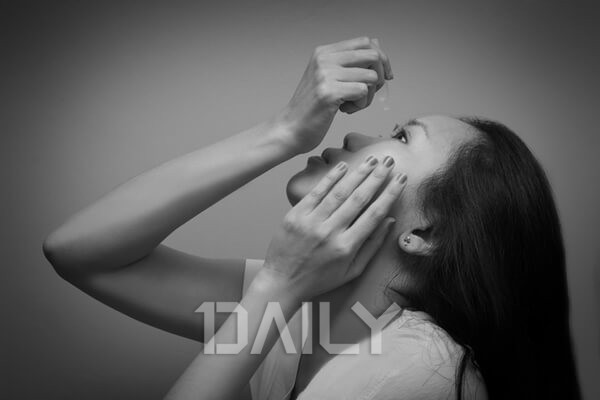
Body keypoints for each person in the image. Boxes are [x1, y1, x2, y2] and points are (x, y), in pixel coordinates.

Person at [43, 37, 581, 399]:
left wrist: (277, 286)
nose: (356, 135)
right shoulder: (307, 310)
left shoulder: (418, 372)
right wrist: (283, 131)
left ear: (424, 233)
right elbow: (80, 253)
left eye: (401, 138)